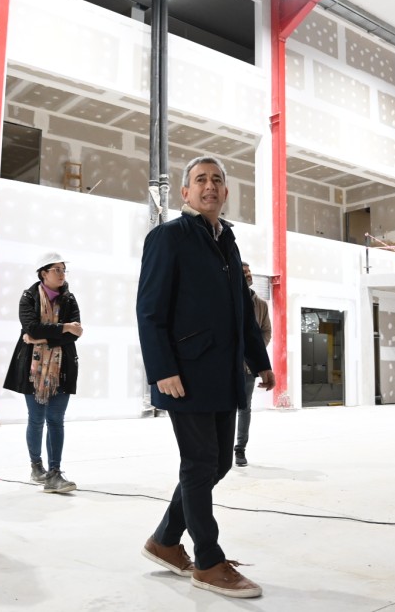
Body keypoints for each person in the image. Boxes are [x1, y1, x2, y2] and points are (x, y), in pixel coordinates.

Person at [136, 155, 274, 599]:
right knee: (198, 464)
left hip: (224, 373)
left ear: (226, 192)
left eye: (217, 180)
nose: (210, 186)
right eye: (201, 179)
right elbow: (150, 310)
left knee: (218, 464)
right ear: (186, 192)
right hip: (186, 373)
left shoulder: (227, 241)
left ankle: (164, 540)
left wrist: (260, 360)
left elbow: (242, 312)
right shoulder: (168, 237)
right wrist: (162, 370)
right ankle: (209, 562)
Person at [3, 252, 82, 494]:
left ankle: (54, 472)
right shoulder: (28, 297)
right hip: (33, 368)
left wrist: (43, 338)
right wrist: (63, 328)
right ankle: (36, 466)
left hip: (62, 368)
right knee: (36, 418)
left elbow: (75, 333)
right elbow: (32, 328)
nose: (62, 274)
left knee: (56, 419)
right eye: (57, 269)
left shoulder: (69, 299)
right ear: (43, 273)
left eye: (63, 269)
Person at [234, 261, 271, 467]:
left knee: (244, 408)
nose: (249, 275)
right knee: (223, 407)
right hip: (226, 366)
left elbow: (266, 331)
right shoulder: (227, 299)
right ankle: (219, 448)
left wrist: (254, 352)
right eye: (244, 272)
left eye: (250, 272)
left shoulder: (261, 305)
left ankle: (240, 449)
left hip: (248, 367)